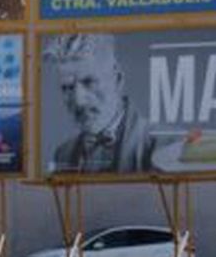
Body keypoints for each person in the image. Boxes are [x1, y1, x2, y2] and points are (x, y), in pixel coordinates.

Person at [43, 33, 156, 175]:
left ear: (118, 79)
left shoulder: (162, 145)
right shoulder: (62, 155)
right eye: (67, 88)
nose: (79, 101)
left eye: (89, 82)